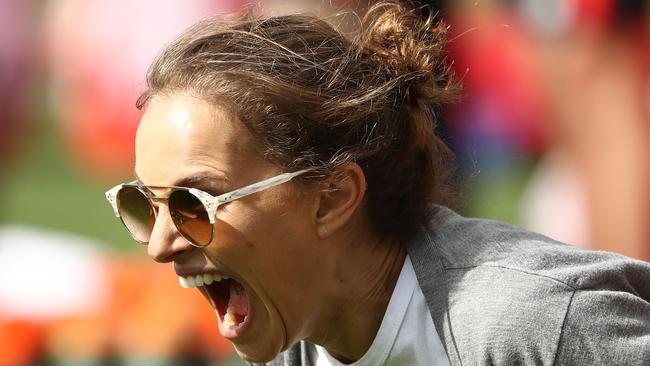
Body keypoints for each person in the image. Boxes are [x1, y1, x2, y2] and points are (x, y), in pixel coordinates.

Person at [105, 1, 650, 364]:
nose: (158, 246)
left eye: (193, 202)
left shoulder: (533, 327)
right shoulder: (301, 329)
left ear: (332, 198)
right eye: (142, 204)